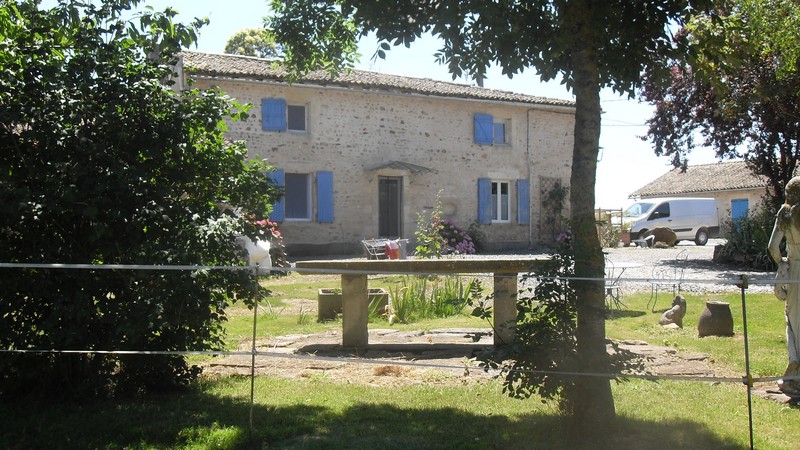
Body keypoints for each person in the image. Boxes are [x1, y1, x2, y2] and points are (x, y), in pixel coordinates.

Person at [768, 176, 800, 398]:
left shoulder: (786, 215)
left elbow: (772, 247)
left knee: (793, 323)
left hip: (796, 270)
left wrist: (783, 263)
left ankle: (794, 368)